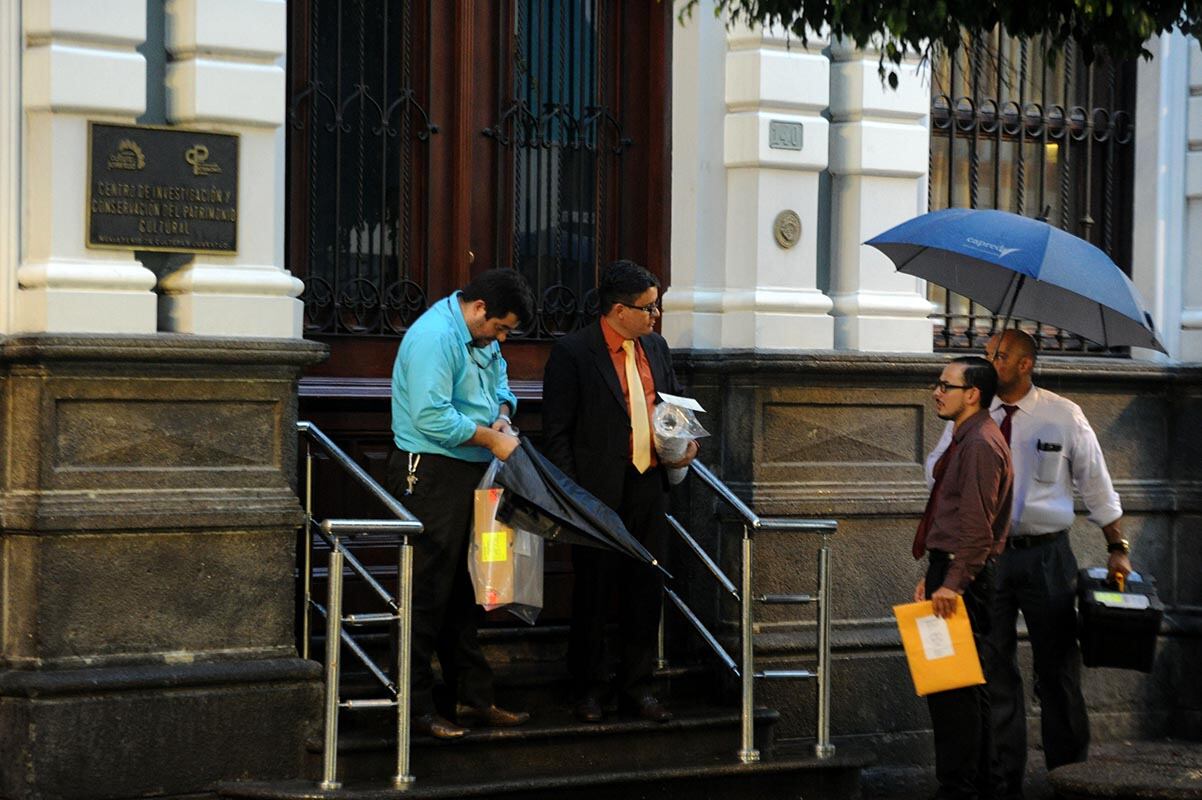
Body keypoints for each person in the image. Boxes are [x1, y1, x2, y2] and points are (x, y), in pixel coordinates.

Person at [927, 329, 1133, 799]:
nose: (991, 361)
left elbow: (1097, 485)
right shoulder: (974, 418)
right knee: (994, 669)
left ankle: (1070, 775)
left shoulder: (1063, 415)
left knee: (1057, 669)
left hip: (1046, 554)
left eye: (1000, 355)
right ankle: (1005, 781)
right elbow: (934, 471)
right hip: (991, 557)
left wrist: (1117, 546)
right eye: (987, 353)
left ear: (1025, 364)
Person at [541, 260, 699, 724]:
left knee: (645, 589)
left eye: (656, 306)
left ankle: (638, 687)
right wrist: (572, 496)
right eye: (648, 308)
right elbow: (557, 432)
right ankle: (588, 689)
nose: (655, 316)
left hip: (649, 483)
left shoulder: (656, 347)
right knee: (594, 590)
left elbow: (672, 404)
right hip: (595, 493)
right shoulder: (573, 352)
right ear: (618, 310)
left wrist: (685, 443)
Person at [385, 268, 535, 739]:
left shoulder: (481, 335)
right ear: (479, 308)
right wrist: (492, 438)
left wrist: (503, 416)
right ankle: (412, 708)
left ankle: (472, 697)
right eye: (501, 328)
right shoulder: (435, 337)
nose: (502, 339)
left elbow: (501, 383)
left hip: (474, 466)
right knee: (425, 592)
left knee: (468, 589)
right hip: (431, 471)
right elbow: (430, 417)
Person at [913, 356, 1014, 800]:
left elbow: (977, 531)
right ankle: (980, 785)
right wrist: (935, 574)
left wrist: (951, 583)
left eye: (945, 385)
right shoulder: (968, 438)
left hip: (963, 575)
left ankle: (959, 788)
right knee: (964, 687)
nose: (937, 392)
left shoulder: (979, 445)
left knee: (952, 689)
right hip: (952, 568)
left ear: (972, 394)